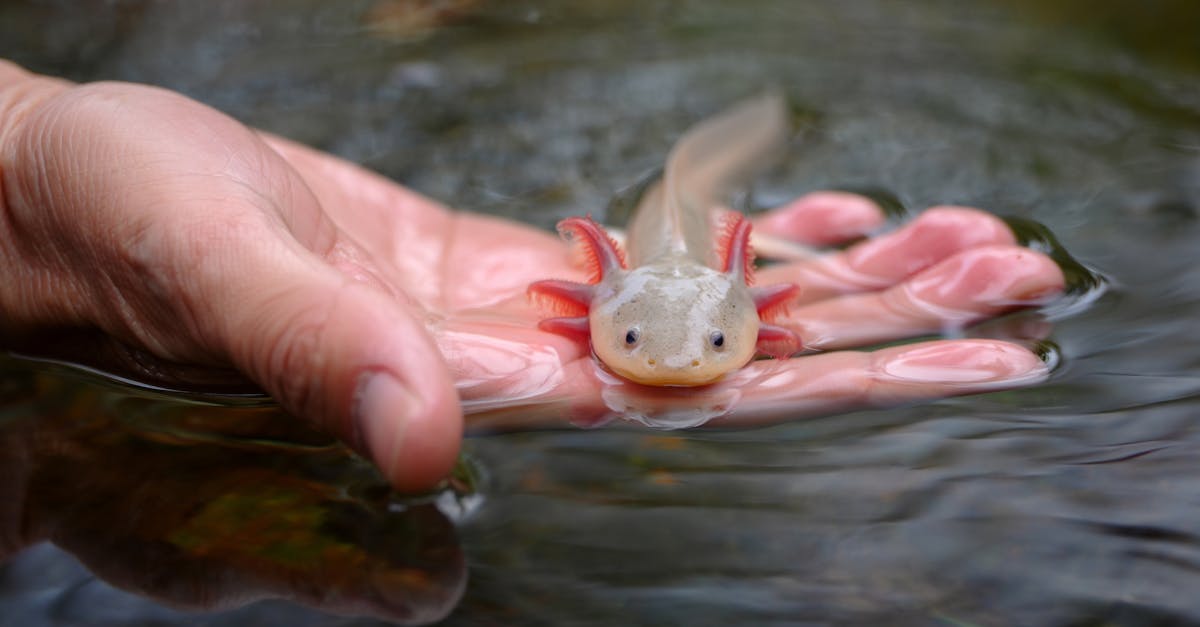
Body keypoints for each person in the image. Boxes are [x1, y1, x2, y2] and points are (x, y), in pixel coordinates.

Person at [0, 60, 1065, 491]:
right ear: (585, 295)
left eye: (717, 344)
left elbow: (693, 328)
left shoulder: (742, 296)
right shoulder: (595, 290)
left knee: (722, 228)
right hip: (645, 254)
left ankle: (744, 173)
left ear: (761, 316)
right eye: (640, 342)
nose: (679, 365)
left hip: (717, 251)